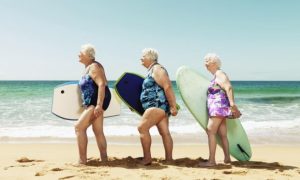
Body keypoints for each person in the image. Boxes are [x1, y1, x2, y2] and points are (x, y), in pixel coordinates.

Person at [199, 53, 241, 167]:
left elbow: (228, 87)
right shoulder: (217, 75)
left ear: (214, 63)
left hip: (218, 107)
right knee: (222, 134)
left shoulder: (219, 73)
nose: (205, 63)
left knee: (210, 131)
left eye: (207, 60)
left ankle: (211, 161)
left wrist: (232, 104)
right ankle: (227, 158)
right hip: (220, 107)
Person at [138, 48, 178, 165]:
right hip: (159, 106)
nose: (141, 58)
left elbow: (168, 87)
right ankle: (169, 159)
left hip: (156, 105)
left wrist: (173, 106)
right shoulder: (152, 70)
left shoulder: (157, 69)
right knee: (165, 132)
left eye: (143, 56)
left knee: (142, 128)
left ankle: (147, 158)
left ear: (150, 57)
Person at [75, 44, 111, 165]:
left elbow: (102, 84)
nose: (78, 54)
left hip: (96, 101)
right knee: (98, 130)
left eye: (81, 52)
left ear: (89, 55)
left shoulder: (94, 66)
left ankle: (82, 160)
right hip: (94, 101)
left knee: (79, 127)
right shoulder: (89, 67)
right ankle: (104, 159)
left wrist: (99, 105)